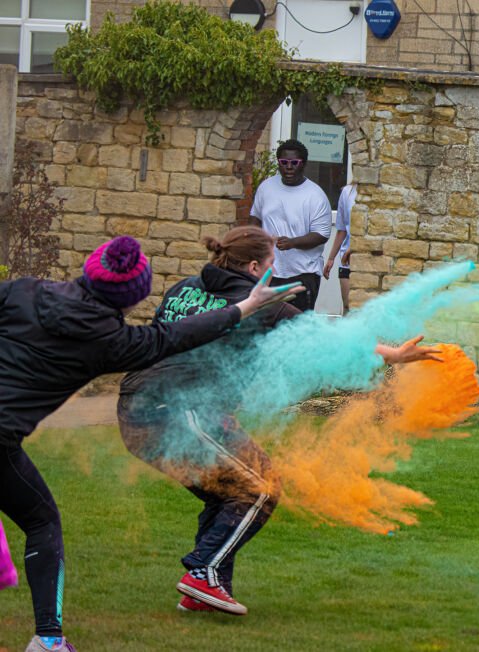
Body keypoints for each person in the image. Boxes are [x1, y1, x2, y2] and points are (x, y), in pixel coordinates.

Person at [116, 226, 439, 616]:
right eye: (272, 263)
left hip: (135, 410)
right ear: (255, 267)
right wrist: (392, 355)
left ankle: (205, 590)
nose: (276, 270)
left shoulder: (183, 287)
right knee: (261, 488)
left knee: (228, 492)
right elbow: (326, 338)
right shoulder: (264, 301)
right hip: (181, 413)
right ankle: (204, 573)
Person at [0, 235, 301, 652]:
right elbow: (176, 336)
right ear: (130, 297)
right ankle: (50, 640)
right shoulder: (114, 343)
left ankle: (205, 586)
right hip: (8, 440)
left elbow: (179, 331)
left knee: (227, 493)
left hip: (52, 433)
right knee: (41, 523)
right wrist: (248, 306)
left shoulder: (22, 289)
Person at [250, 139, 332, 312]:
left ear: (303, 164)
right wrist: (257, 241)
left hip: (302, 273)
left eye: (294, 163)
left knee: (296, 325)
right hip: (269, 272)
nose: (289, 167)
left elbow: (322, 234)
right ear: (279, 163)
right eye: (284, 162)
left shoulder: (315, 195)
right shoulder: (266, 187)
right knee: (265, 324)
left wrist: (292, 243)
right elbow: (255, 218)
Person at [323, 181, 356, 315]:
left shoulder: (376, 193)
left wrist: (356, 247)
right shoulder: (347, 192)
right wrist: (330, 258)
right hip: (346, 262)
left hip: (367, 259)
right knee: (348, 307)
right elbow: (342, 229)